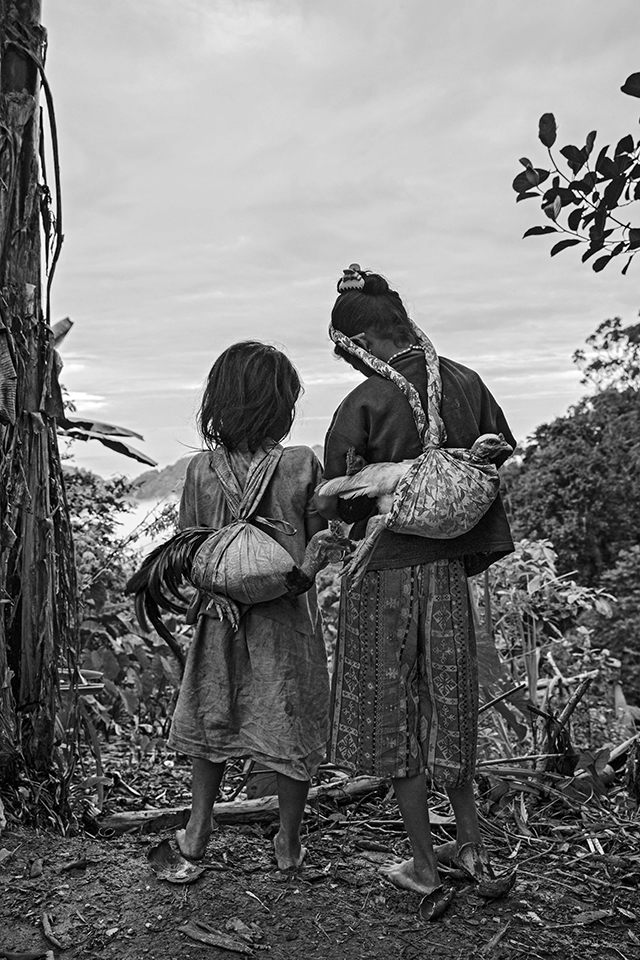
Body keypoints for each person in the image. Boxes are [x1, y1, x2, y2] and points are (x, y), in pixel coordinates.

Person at [316, 265, 516, 919]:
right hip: (448, 577)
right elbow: (496, 454)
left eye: (353, 353)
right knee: (449, 709)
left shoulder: (365, 403)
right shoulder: (465, 383)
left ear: (367, 341)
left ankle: (425, 865)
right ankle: (475, 850)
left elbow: (339, 501)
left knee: (395, 720)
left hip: (385, 578)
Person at [168, 340, 330, 871]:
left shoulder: (201, 472)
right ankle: (288, 842)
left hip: (219, 616)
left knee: (215, 713)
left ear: (220, 401)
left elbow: (187, 547)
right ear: (279, 404)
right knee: (288, 715)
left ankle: (197, 828)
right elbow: (316, 544)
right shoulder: (302, 465)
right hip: (287, 616)